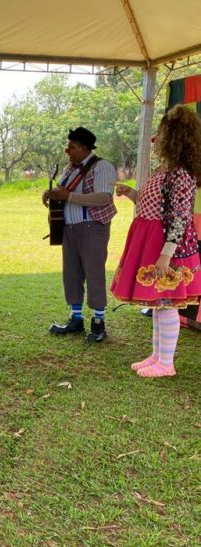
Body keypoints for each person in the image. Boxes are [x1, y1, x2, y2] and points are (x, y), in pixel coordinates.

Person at [111, 106, 201, 377]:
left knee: (167, 303)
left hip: (166, 248)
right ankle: (157, 355)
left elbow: (181, 218)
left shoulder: (181, 175)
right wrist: (131, 194)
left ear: (173, 136)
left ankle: (166, 363)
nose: (157, 137)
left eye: (162, 131)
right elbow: (153, 205)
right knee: (158, 303)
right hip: (153, 242)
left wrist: (165, 255)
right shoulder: (166, 170)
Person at [43, 127, 118, 342]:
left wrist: (70, 196)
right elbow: (62, 192)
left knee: (94, 273)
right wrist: (50, 194)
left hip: (92, 227)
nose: (68, 151)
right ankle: (76, 318)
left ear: (85, 147)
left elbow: (103, 198)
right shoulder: (71, 169)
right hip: (70, 228)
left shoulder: (102, 167)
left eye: (73, 147)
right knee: (72, 274)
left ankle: (98, 322)